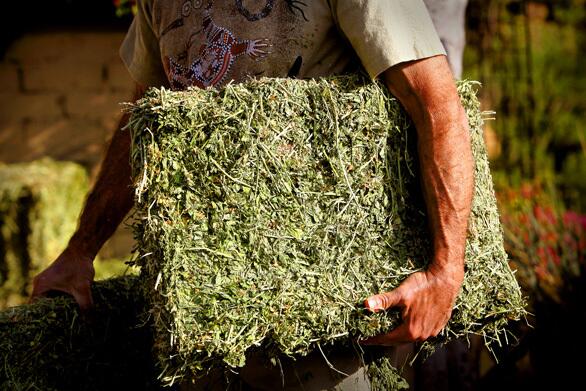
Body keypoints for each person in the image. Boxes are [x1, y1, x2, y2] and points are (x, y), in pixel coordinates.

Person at [31, 0, 474, 389]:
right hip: (202, 314)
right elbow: (144, 126)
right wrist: (81, 250)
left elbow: (437, 106)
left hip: (319, 316)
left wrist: (446, 270)